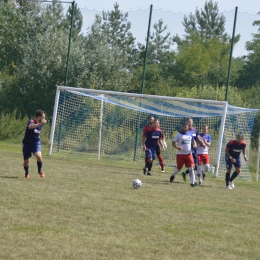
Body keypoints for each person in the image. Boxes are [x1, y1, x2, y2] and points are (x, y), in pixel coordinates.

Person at [170, 122, 197, 187]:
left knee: (191, 168)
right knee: (178, 169)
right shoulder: (179, 134)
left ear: (188, 128)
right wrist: (177, 147)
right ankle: (173, 175)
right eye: (184, 127)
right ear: (182, 127)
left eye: (186, 127)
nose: (185, 128)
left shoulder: (190, 134)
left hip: (188, 154)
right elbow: (173, 143)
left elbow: (193, 141)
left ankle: (193, 182)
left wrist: (195, 144)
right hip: (180, 155)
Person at [22, 110, 47, 179]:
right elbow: (30, 127)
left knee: (39, 156)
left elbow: (44, 122)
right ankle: (27, 173)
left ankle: (40, 171)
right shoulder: (32, 121)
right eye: (43, 117)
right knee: (26, 160)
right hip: (27, 143)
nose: (44, 119)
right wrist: (39, 124)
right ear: (39, 117)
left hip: (36, 143)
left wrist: (42, 123)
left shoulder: (42, 122)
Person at [181, 118, 199, 183]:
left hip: (194, 149)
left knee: (196, 166)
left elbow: (197, 138)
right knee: (191, 166)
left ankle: (185, 173)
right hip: (188, 150)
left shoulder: (195, 130)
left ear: (192, 122)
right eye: (188, 121)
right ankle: (193, 181)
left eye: (190, 121)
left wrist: (202, 144)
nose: (189, 122)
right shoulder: (184, 131)